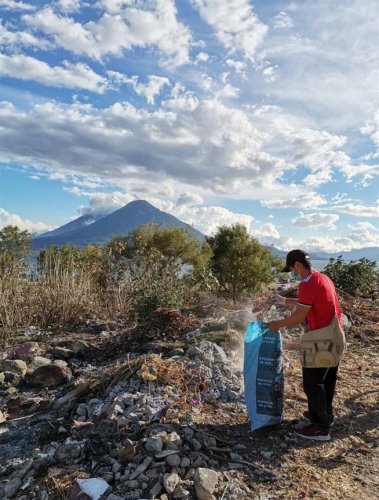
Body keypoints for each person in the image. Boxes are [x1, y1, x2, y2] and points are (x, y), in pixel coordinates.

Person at [267, 249, 343, 442]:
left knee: (313, 383)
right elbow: (308, 303)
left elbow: (300, 315)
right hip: (333, 335)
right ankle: (326, 415)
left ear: (298, 265)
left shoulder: (308, 284)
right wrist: (285, 301)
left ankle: (320, 428)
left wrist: (277, 325)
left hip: (320, 338)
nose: (293, 273)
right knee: (327, 379)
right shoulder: (322, 278)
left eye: (292, 269)